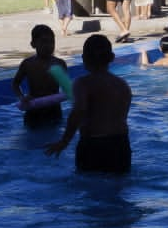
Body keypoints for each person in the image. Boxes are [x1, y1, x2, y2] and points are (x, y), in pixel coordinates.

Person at [45, 34, 132, 173]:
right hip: (120, 144)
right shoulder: (122, 85)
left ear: (84, 59)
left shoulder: (83, 83)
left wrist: (64, 141)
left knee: (89, 188)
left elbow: (78, 112)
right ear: (111, 58)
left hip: (93, 145)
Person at [12, 24, 69, 128]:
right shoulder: (28, 64)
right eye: (44, 42)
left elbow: (67, 89)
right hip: (34, 110)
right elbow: (15, 84)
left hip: (54, 111)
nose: (49, 46)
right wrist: (21, 97)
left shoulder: (59, 64)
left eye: (52, 42)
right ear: (33, 44)